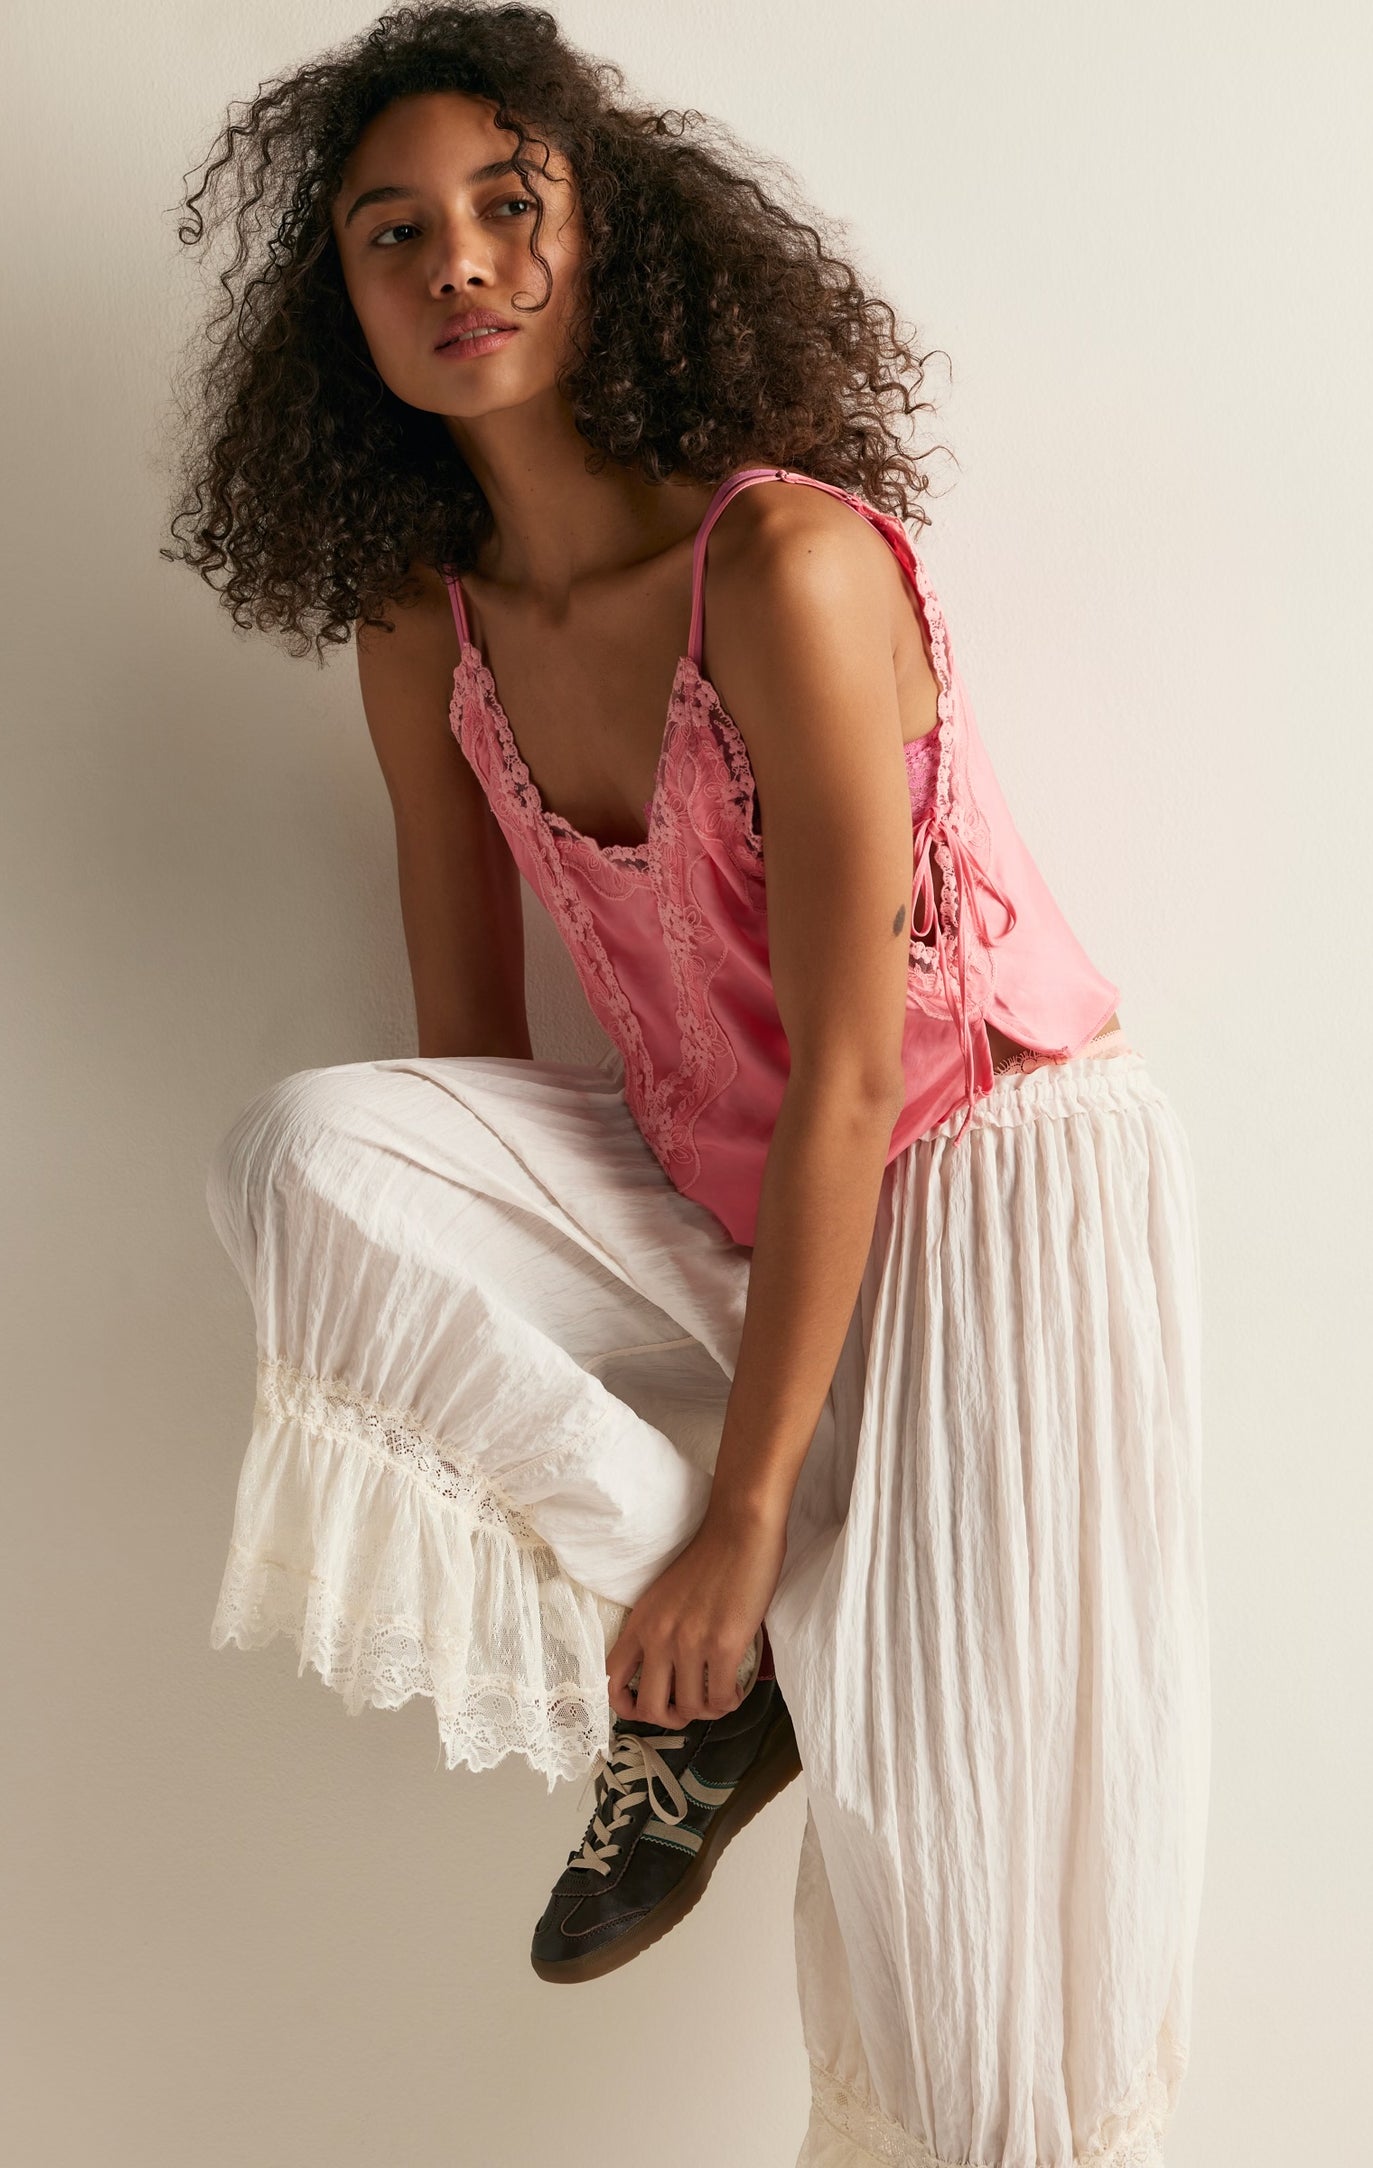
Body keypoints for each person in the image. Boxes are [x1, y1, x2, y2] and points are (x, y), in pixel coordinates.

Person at [166, 7, 1211, 2163]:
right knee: (318, 1152)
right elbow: (467, 1068)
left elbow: (854, 1068)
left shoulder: (789, 567)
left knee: (954, 1922)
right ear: (337, 304)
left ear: (607, 234)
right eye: (393, 234)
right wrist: (625, 1432)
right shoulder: (416, 615)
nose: (457, 263)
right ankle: (726, 1692)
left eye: (508, 205)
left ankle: (757, 1612)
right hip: (736, 1183)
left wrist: (745, 1514)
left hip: (983, 1174)